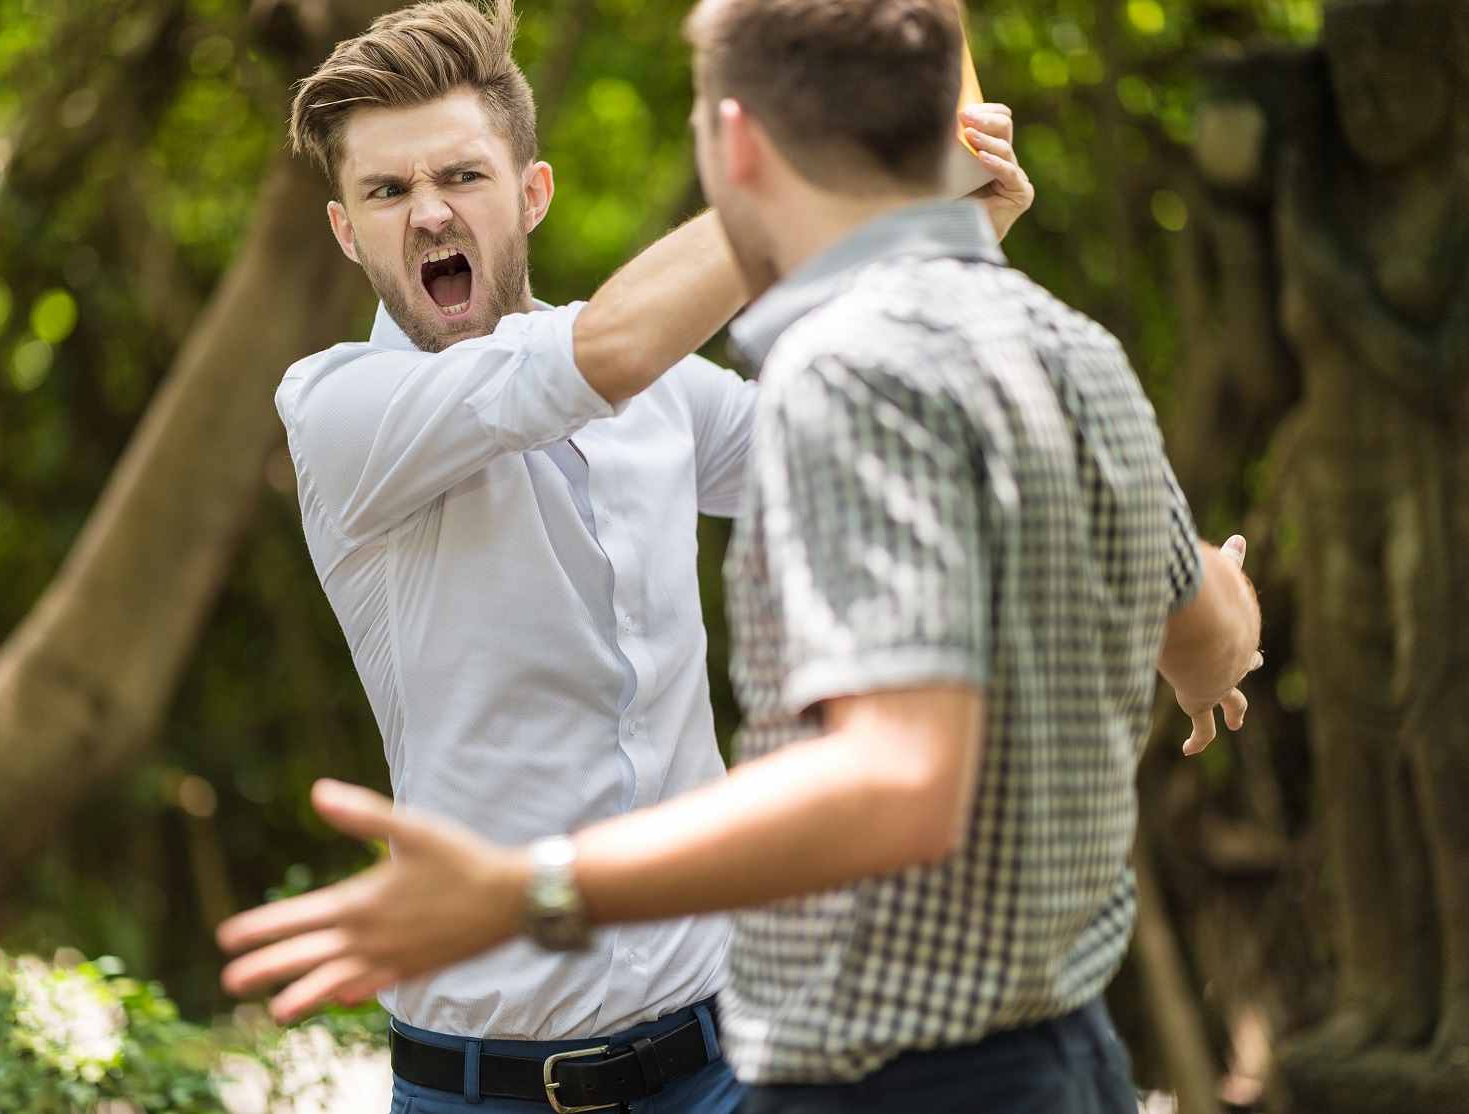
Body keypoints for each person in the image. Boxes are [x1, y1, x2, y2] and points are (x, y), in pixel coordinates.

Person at [225, 2, 1035, 1111]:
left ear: (531, 194)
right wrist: (838, 164)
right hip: (484, 1091)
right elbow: (601, 350)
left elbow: (848, 430)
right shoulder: (339, 410)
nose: (425, 215)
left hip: (720, 1061)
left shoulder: (657, 386)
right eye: (386, 191)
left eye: (459, 176)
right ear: (345, 229)